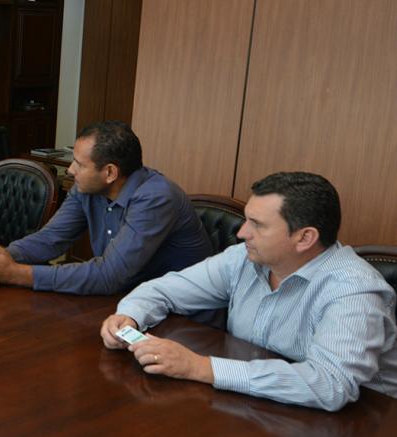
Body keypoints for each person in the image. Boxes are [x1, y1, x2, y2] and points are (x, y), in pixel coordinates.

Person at [101, 171, 397, 411]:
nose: (242, 232)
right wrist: (130, 316)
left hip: (363, 430)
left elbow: (331, 384)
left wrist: (200, 367)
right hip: (262, 405)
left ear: (305, 237)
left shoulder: (354, 290)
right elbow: (162, 289)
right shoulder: (244, 258)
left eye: (257, 225)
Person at [0, 121, 212, 295]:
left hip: (182, 318)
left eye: (79, 164)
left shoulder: (156, 198)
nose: (71, 170)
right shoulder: (88, 188)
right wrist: (0, 258)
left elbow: (109, 276)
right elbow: (51, 238)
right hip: (127, 302)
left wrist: (16, 274)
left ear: (110, 172)